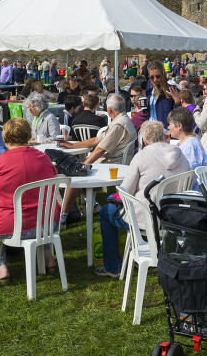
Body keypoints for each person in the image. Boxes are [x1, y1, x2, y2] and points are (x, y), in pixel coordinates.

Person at [95, 120, 191, 277]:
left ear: (144, 141)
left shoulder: (141, 156)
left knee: (106, 212)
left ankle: (113, 267)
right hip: (173, 216)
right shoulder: (180, 155)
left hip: (146, 217)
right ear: (164, 136)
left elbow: (126, 191)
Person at [0, 117, 59, 284]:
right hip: (47, 225)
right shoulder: (44, 158)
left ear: (5, 137)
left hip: (10, 227)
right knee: (40, 210)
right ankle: (47, 256)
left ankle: (1, 267)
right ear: (28, 136)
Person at [60, 94, 137, 223]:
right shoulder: (120, 120)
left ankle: (63, 217)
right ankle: (91, 204)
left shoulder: (119, 125)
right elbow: (96, 140)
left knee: (74, 176)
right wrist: (72, 145)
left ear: (109, 109)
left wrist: (84, 165)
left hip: (113, 165)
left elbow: (101, 149)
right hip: (112, 162)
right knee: (75, 173)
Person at [144, 60, 177, 128]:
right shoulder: (149, 86)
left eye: (158, 76)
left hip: (164, 129)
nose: (155, 79)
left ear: (163, 73)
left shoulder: (170, 87)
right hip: (150, 127)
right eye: (151, 77)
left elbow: (176, 113)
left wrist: (177, 102)